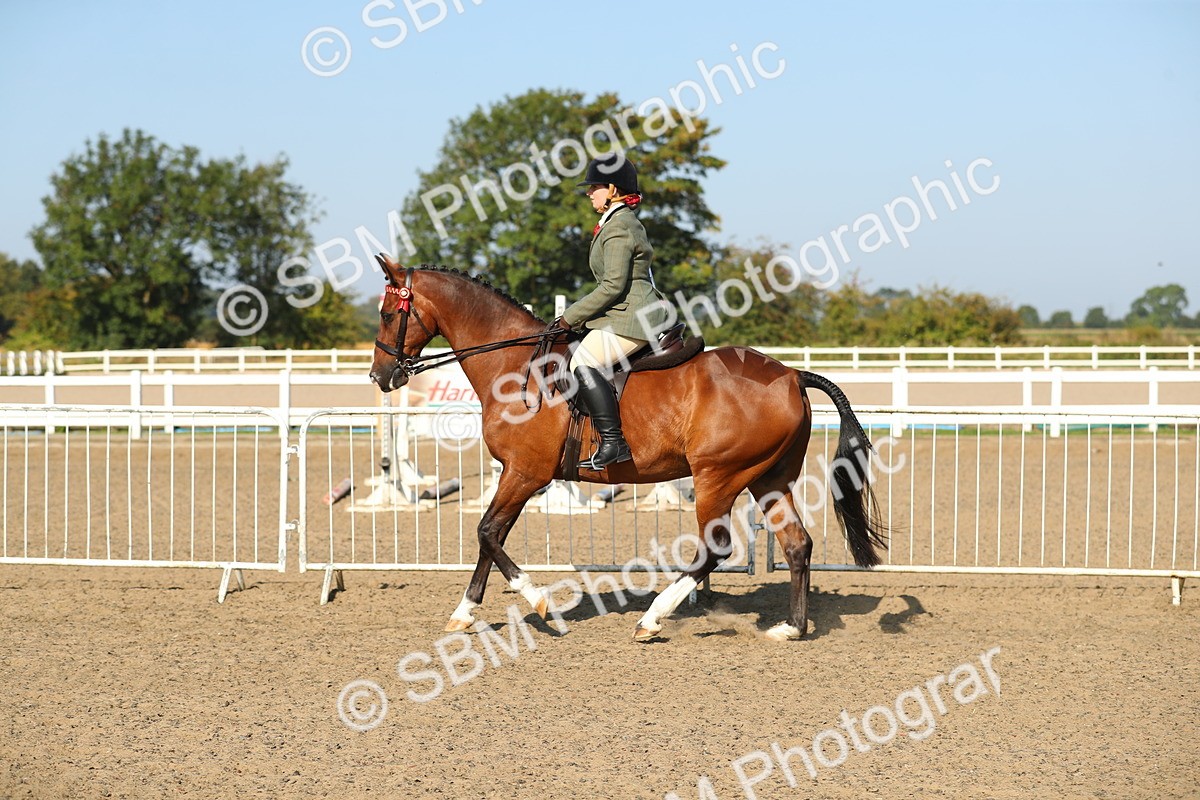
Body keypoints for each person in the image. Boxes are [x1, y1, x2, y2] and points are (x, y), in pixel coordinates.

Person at [547, 151, 672, 470]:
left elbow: (613, 286)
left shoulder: (619, 227)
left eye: (595, 186)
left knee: (583, 360)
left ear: (613, 190)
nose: (589, 192)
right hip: (624, 313)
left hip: (632, 316)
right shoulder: (617, 222)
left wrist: (569, 317)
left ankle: (613, 442)